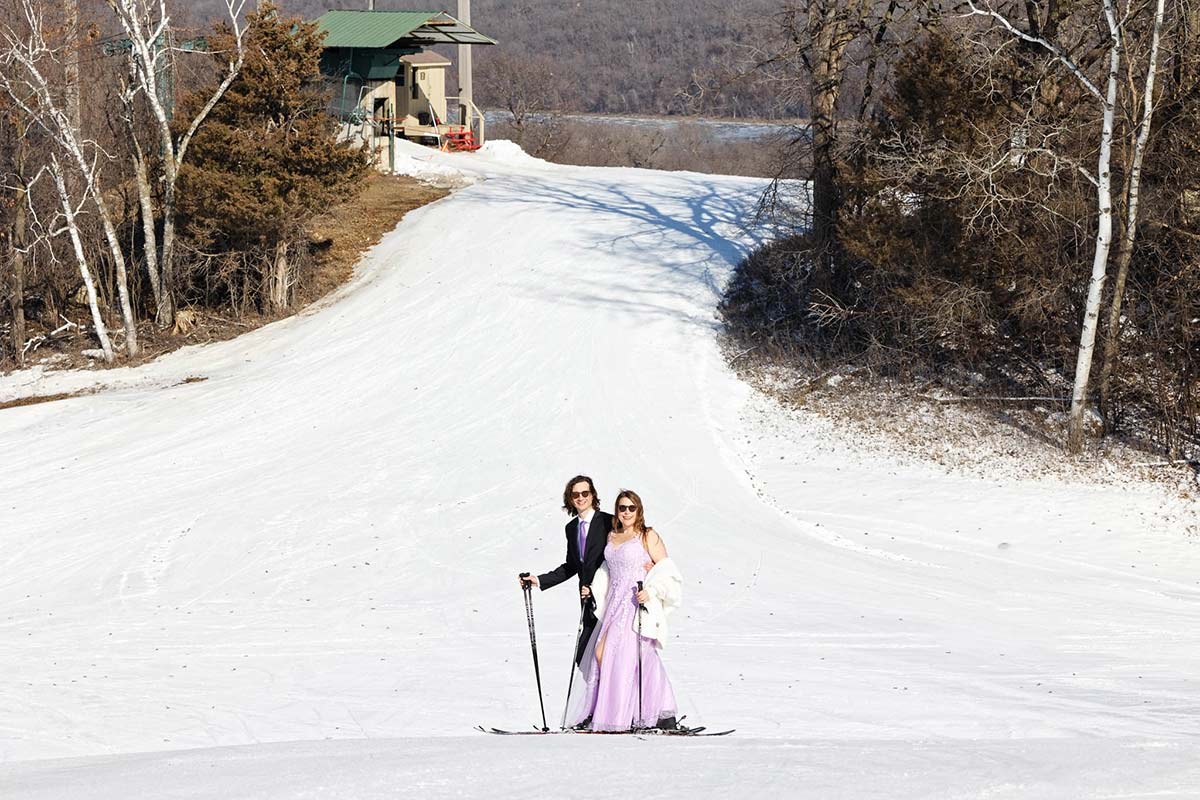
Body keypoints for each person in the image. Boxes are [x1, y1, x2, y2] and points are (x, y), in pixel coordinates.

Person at [570, 489, 684, 732]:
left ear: (639, 510)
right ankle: (616, 712)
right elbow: (606, 569)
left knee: (633, 656)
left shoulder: (647, 535)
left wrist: (651, 591)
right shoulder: (612, 536)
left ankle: (659, 712)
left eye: (631, 508)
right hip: (615, 602)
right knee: (603, 655)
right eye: (622, 507)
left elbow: (667, 570)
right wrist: (593, 588)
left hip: (636, 602)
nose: (626, 512)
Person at [519, 475, 612, 665]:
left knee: (606, 656)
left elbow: (626, 550)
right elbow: (571, 566)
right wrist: (538, 580)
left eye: (585, 493)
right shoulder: (571, 528)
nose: (580, 497)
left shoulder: (608, 522)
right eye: (575, 494)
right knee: (585, 657)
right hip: (587, 601)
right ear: (570, 499)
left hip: (610, 598)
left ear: (593, 495)